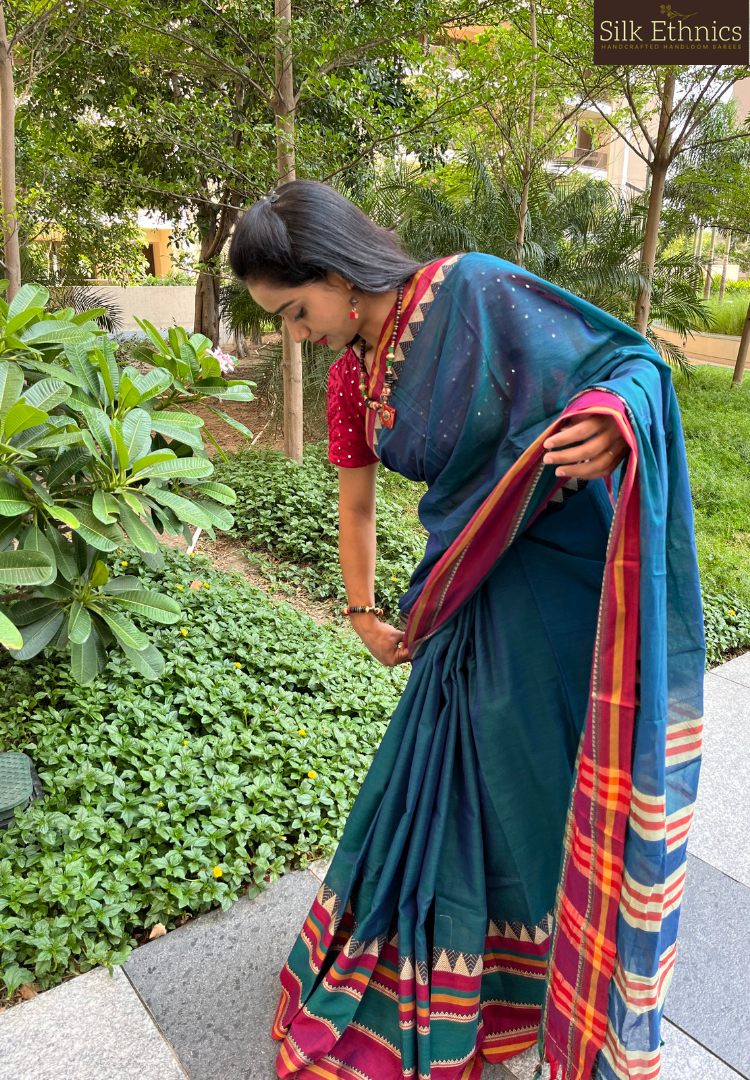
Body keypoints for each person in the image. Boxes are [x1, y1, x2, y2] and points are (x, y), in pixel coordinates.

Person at [228, 180, 705, 1080]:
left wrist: (611, 420)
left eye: (295, 312)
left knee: (541, 772)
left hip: (558, 581)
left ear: (336, 273)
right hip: (461, 587)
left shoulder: (476, 290)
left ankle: (572, 974)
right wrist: (362, 610)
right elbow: (359, 504)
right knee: (453, 775)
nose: (297, 334)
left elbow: (632, 362)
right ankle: (483, 978)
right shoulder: (349, 380)